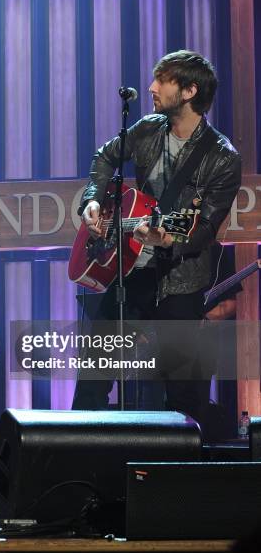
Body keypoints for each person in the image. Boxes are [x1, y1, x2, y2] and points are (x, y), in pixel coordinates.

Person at [72, 50, 242, 427]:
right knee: (93, 377)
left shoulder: (222, 157)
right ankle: (81, 470)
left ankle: (184, 481)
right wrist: (93, 200)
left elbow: (205, 228)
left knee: (185, 396)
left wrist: (168, 240)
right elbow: (104, 156)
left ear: (188, 91)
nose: (151, 87)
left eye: (162, 81)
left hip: (182, 282)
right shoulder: (148, 129)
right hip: (131, 272)